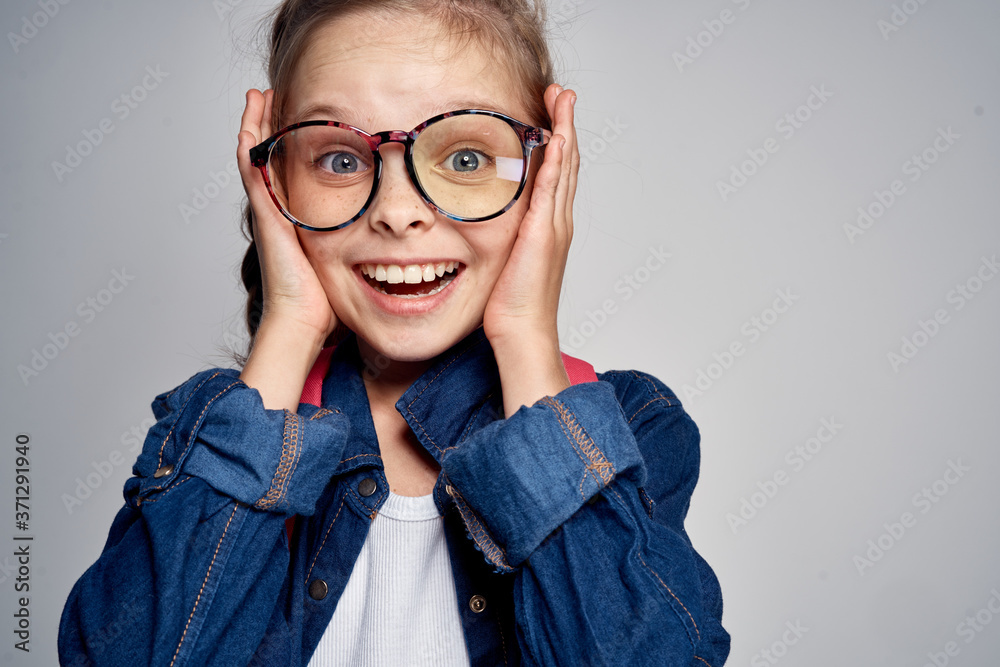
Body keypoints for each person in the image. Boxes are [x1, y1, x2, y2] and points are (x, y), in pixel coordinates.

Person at [59, 0, 730, 664]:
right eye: (340, 159)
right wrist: (289, 324)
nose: (399, 211)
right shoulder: (209, 431)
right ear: (274, 179)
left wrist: (525, 333)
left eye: (466, 158)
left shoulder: (636, 427)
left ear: (543, 177)